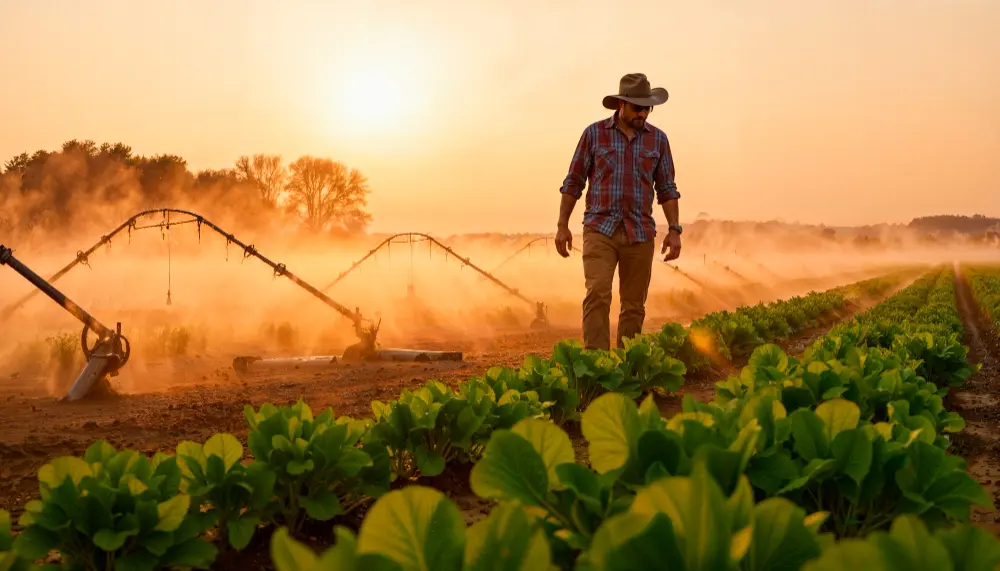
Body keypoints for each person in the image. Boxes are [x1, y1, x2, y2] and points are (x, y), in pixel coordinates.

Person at [554, 72, 683, 351]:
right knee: (598, 292)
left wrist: (674, 230)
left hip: (639, 232)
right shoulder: (594, 134)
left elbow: (667, 189)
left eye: (647, 108)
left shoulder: (658, 141)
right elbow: (573, 181)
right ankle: (596, 366)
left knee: (634, 305)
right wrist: (562, 225)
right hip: (600, 228)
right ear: (620, 105)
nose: (643, 114)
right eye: (637, 107)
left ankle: (627, 370)